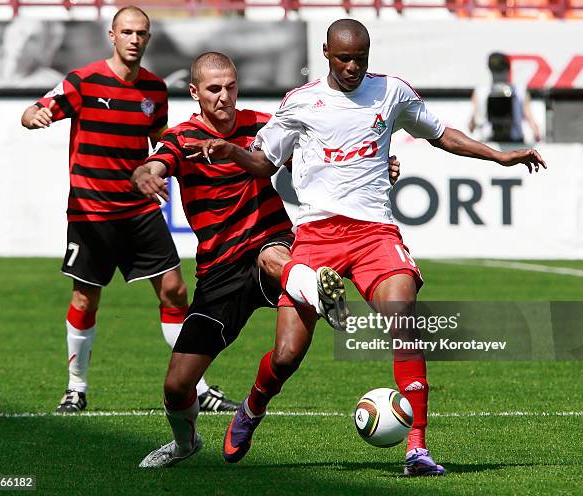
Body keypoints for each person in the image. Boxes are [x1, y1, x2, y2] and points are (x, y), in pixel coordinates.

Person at [185, 19, 546, 476]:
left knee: (404, 318)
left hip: (375, 233)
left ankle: (417, 447)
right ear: (326, 54)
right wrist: (233, 153)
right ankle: (254, 407)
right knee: (287, 355)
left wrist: (499, 155)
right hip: (315, 236)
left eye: (360, 58)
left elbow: (441, 133)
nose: (353, 67)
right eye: (343, 58)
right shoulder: (301, 103)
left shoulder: (392, 92)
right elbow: (263, 162)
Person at [133, 51, 402, 468]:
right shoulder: (181, 138)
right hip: (218, 272)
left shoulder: (262, 124)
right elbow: (155, 162)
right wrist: (146, 174)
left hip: (271, 244)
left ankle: (318, 290)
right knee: (176, 386)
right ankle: (185, 444)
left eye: (230, 87)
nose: (224, 97)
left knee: (275, 263)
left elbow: (321, 159)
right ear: (194, 92)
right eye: (213, 89)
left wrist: (376, 165)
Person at [19, 7, 237, 414]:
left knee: (174, 291)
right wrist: (36, 116)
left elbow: (159, 141)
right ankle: (76, 388)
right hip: (91, 211)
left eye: (142, 33)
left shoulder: (154, 90)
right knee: (85, 299)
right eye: (127, 32)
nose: (135, 39)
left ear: (148, 38)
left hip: (139, 210)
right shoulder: (82, 82)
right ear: (112, 35)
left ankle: (199, 388)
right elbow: (32, 111)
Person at [469, 52, 542, 143]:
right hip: (490, 143)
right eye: (496, 71)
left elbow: (529, 116)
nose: (498, 74)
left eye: (499, 70)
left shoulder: (519, 91)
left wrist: (535, 131)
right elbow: (472, 124)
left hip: (512, 142)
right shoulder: (481, 92)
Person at [0, 17, 64, 88]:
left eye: (32, 38)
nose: (22, 42)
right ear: (7, 32)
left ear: (43, 47)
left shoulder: (54, 83)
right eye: (20, 33)